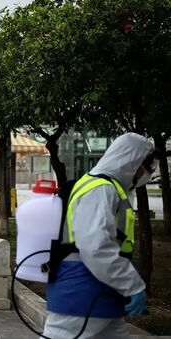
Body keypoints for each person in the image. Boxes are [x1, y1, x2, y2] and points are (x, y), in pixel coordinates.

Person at [43, 133, 156, 339]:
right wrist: (132, 284)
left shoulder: (109, 188)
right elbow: (96, 246)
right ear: (132, 161)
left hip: (99, 293)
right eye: (146, 166)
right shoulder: (101, 189)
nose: (147, 173)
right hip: (82, 293)